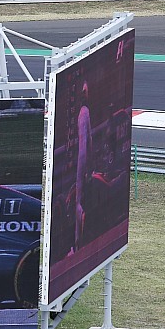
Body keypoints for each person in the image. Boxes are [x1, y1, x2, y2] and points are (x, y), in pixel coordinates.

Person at [74, 81, 92, 252]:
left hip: (82, 162)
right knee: (78, 201)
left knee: (79, 201)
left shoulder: (83, 112)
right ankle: (78, 240)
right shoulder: (83, 113)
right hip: (81, 162)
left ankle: (79, 240)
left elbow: (89, 140)